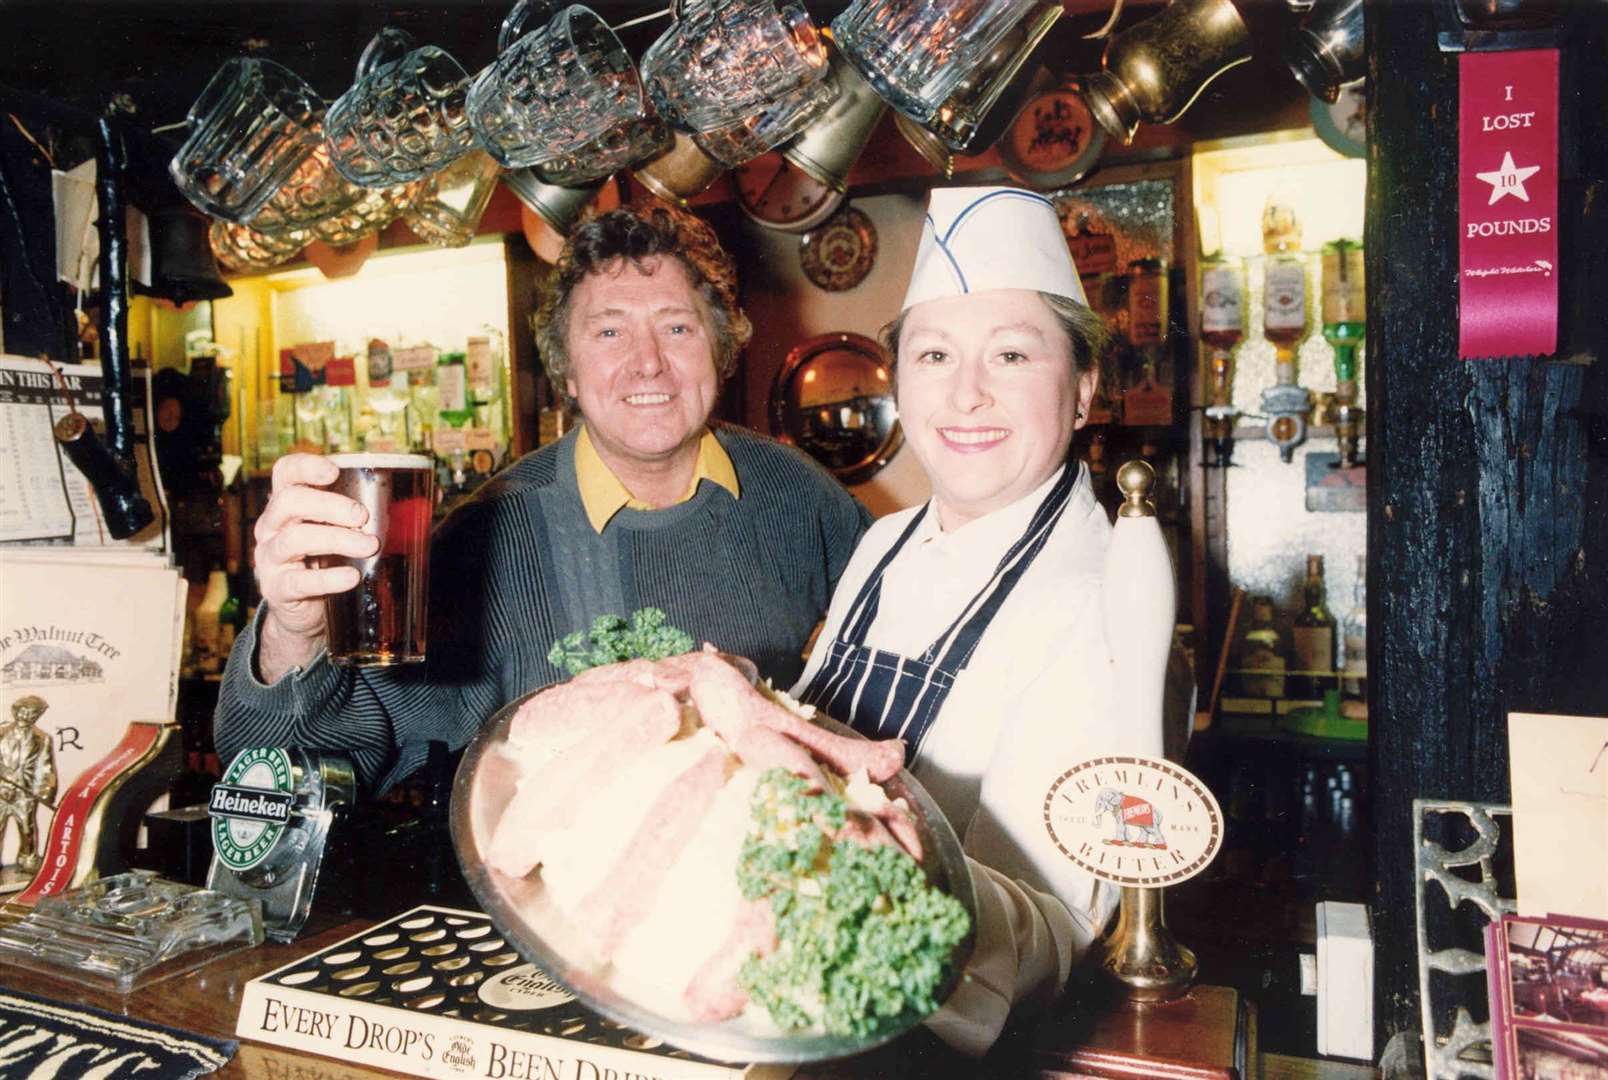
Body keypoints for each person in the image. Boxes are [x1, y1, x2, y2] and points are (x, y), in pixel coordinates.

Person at [217, 203, 870, 795]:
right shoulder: (486, 539)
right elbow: (286, 771)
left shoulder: (797, 495)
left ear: (720, 350)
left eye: (677, 328)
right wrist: (292, 636)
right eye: (609, 333)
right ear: (567, 372)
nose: (648, 362)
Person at [792, 187, 1167, 1055]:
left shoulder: (1105, 601)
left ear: (1081, 391)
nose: (965, 395)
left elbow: (1055, 926)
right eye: (933, 355)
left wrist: (871, 875)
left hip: (914, 1042)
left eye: (1009, 355)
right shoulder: (884, 541)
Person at [1, 695, 57, 875]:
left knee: (27, 830)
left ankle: (28, 860)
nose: (26, 716)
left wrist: (45, 793)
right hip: (1, 792)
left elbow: (46, 768)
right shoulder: (1, 732)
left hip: (24, 795)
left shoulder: (43, 738)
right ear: (15, 711)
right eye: (22, 711)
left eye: (32, 713)